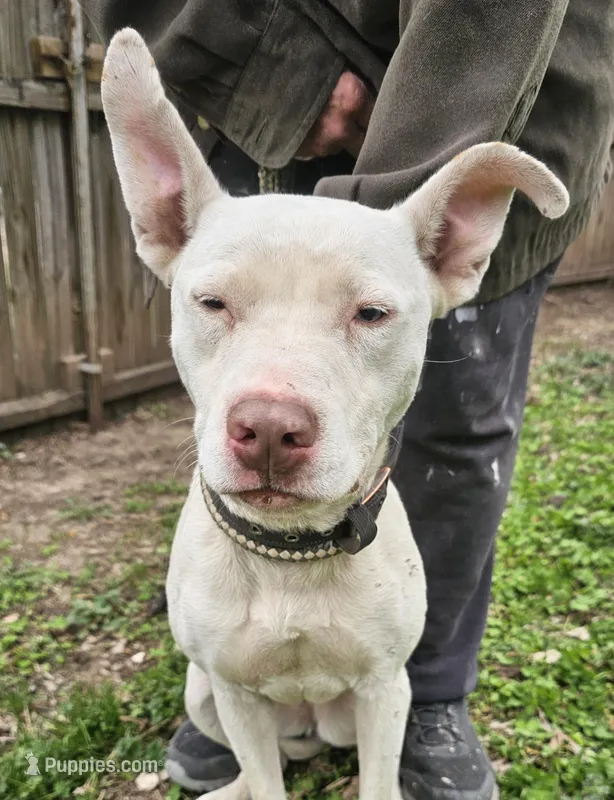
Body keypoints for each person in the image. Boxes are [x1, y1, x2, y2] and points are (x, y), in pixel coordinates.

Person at [84, 2, 614, 797]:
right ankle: (250, 753)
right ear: (166, 229)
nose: (272, 412)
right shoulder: (191, 222)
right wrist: (276, 79)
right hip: (273, 88)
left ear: (452, 253)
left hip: (504, 92)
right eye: (216, 305)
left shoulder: (437, 250)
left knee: (462, 437)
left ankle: (427, 706)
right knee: (220, 680)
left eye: (367, 313)